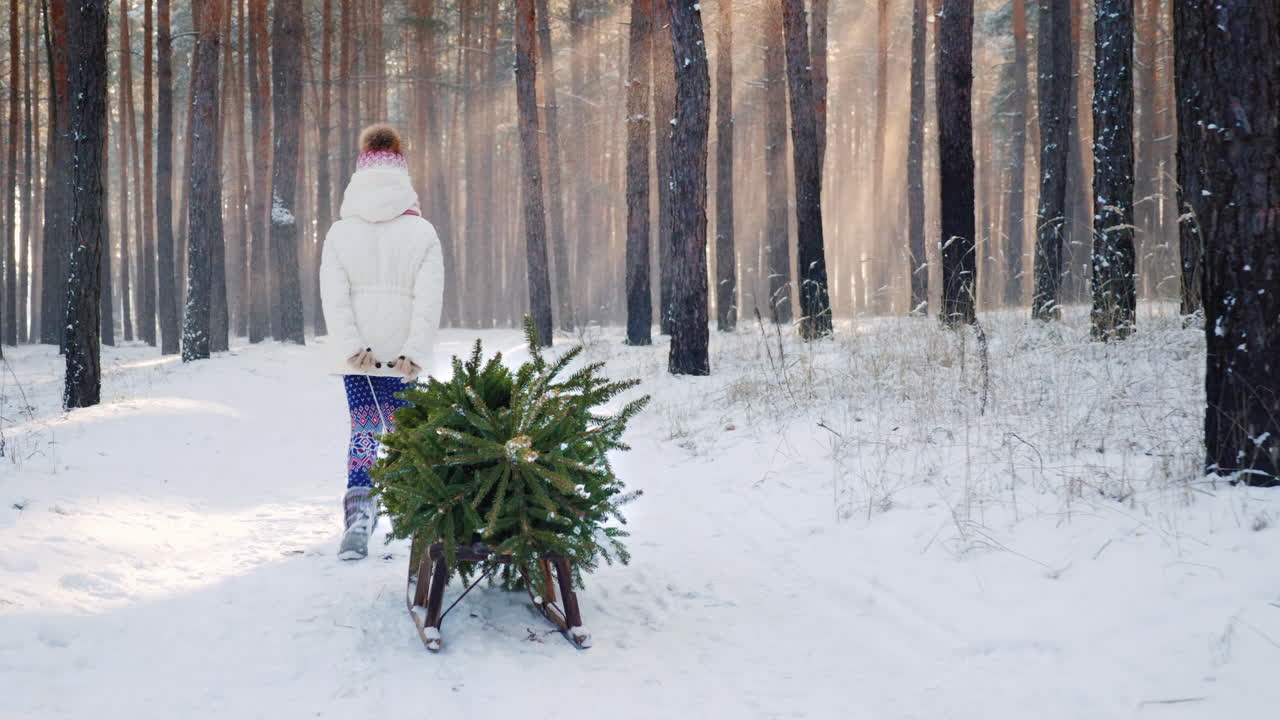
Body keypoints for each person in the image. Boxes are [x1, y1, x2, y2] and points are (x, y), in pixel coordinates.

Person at [320, 124, 444, 560]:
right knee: (409, 435)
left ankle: (359, 517)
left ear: (360, 170)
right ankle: (422, 515)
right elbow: (429, 301)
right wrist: (414, 351)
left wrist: (354, 345)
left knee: (366, 432)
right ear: (402, 171)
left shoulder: (339, 234)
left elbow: (334, 300)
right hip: (403, 357)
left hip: (360, 358)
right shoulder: (423, 232)